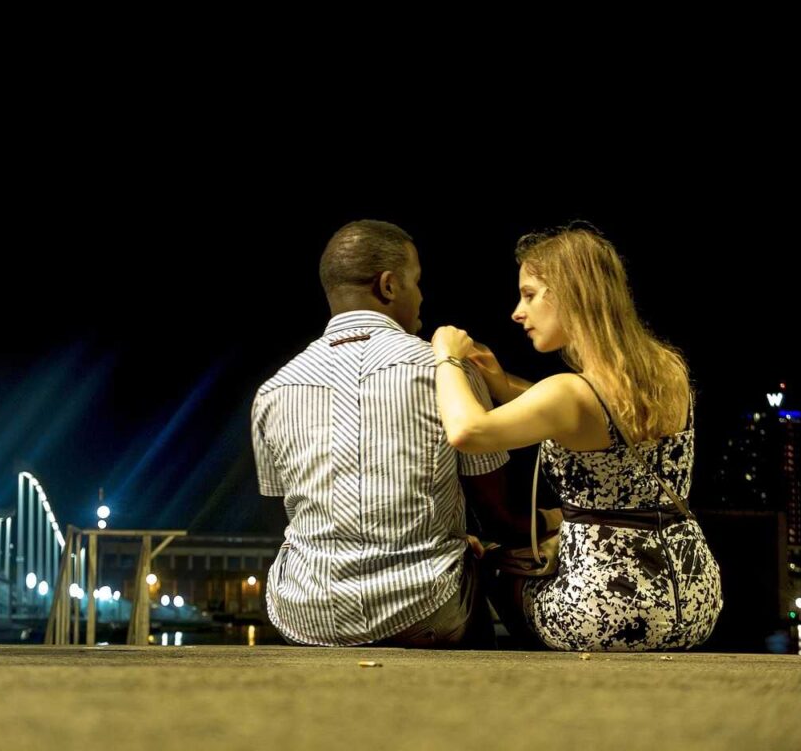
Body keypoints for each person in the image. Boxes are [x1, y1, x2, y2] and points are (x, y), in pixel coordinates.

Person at [431, 221, 722, 651]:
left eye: (529, 294)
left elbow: (467, 431)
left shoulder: (569, 393)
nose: (517, 311)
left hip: (607, 615)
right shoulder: (668, 369)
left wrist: (447, 358)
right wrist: (503, 385)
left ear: (570, 294)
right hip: (694, 602)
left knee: (491, 565)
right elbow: (598, 417)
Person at [251, 219, 509, 648]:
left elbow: (295, 510)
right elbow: (497, 510)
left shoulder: (273, 390)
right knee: (479, 564)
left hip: (305, 615)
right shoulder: (442, 370)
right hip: (424, 607)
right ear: (389, 286)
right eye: (416, 282)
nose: (421, 295)